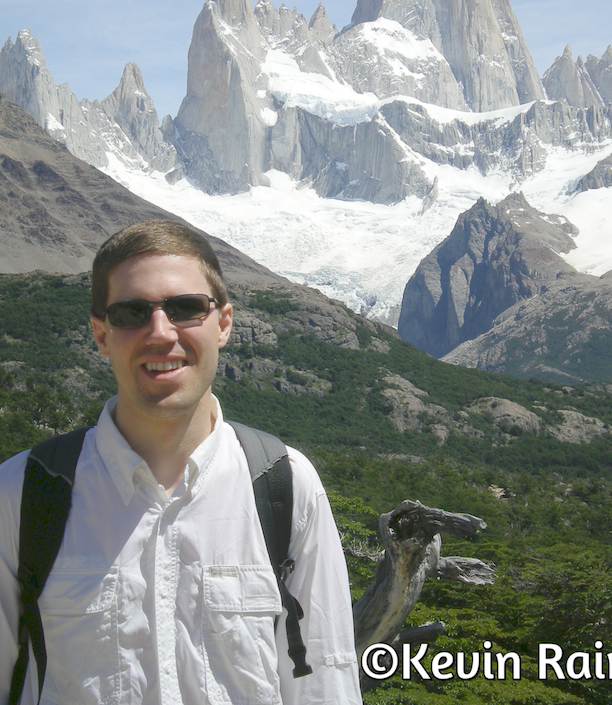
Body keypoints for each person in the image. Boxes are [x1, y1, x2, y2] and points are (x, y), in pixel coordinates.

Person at [0, 220, 362, 705]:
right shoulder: (22, 493)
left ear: (224, 323)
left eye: (186, 308)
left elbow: (323, 684)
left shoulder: (285, 486)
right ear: (102, 335)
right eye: (132, 312)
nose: (160, 332)